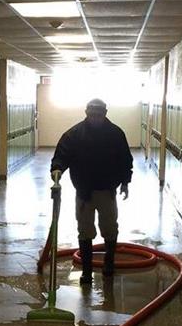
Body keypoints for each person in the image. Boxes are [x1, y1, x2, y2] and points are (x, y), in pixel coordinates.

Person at [51, 98, 133, 284]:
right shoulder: (74, 134)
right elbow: (62, 155)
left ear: (105, 113)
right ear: (86, 113)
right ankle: (86, 271)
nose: (96, 118)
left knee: (109, 227)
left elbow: (125, 160)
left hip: (107, 190)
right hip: (84, 191)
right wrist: (57, 169)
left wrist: (125, 182)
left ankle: (108, 263)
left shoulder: (115, 134)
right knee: (85, 230)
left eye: (99, 114)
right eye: (92, 114)